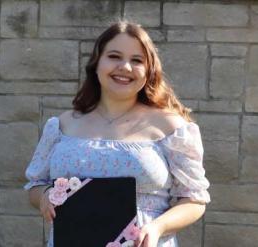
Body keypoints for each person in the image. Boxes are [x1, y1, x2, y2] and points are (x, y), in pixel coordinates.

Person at [24, 21, 210, 247]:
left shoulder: (172, 127)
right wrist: (44, 196)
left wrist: (157, 227)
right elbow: (35, 184)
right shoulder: (61, 125)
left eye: (137, 60)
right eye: (114, 56)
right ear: (96, 62)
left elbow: (194, 200)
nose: (125, 67)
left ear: (149, 70)